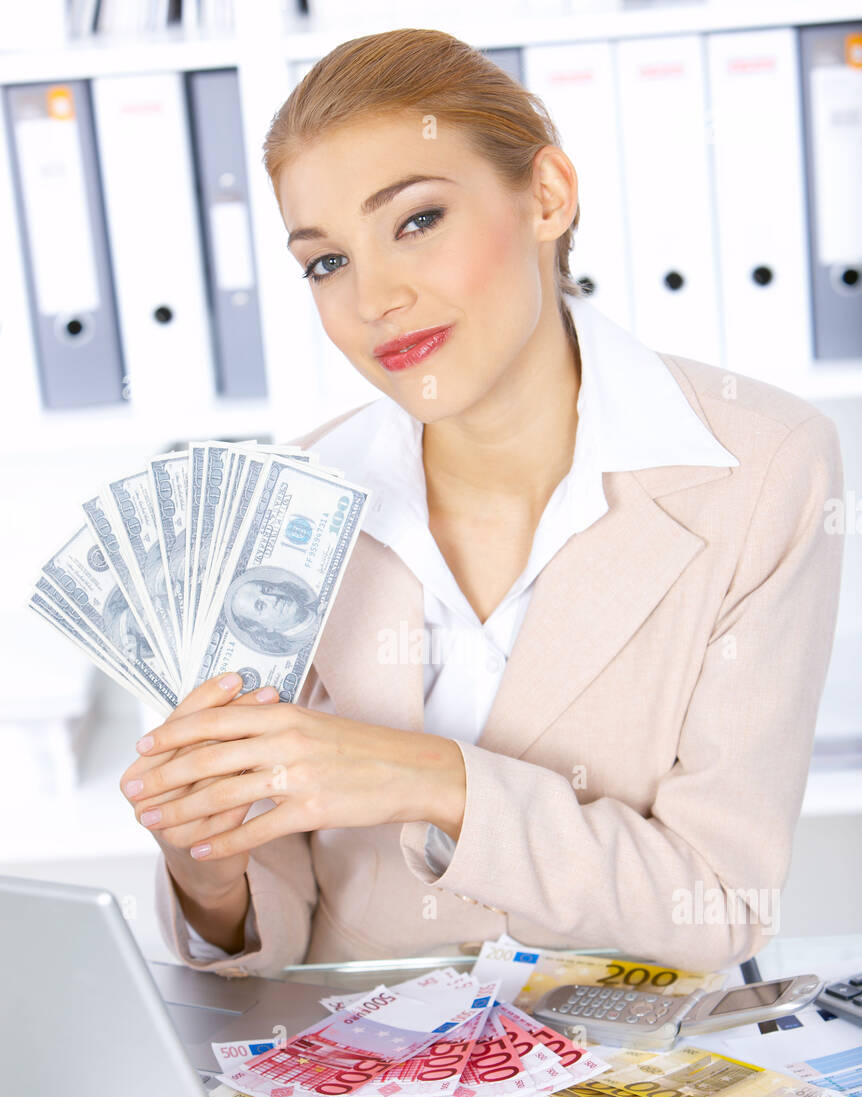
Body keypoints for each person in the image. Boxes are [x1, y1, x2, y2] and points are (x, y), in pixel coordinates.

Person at [120, 29, 844, 975]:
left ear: (545, 196)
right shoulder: (289, 498)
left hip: (636, 1063)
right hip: (362, 1078)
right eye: (326, 261)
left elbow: (716, 900)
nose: (375, 296)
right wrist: (210, 875)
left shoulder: (761, 465)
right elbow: (282, 924)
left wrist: (430, 779)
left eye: (416, 220)